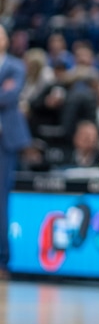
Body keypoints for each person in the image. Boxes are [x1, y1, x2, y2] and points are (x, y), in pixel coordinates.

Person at [0, 25, 31, 279]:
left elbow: (9, 96)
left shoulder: (16, 66)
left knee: (1, 199)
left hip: (5, 140)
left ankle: (3, 260)